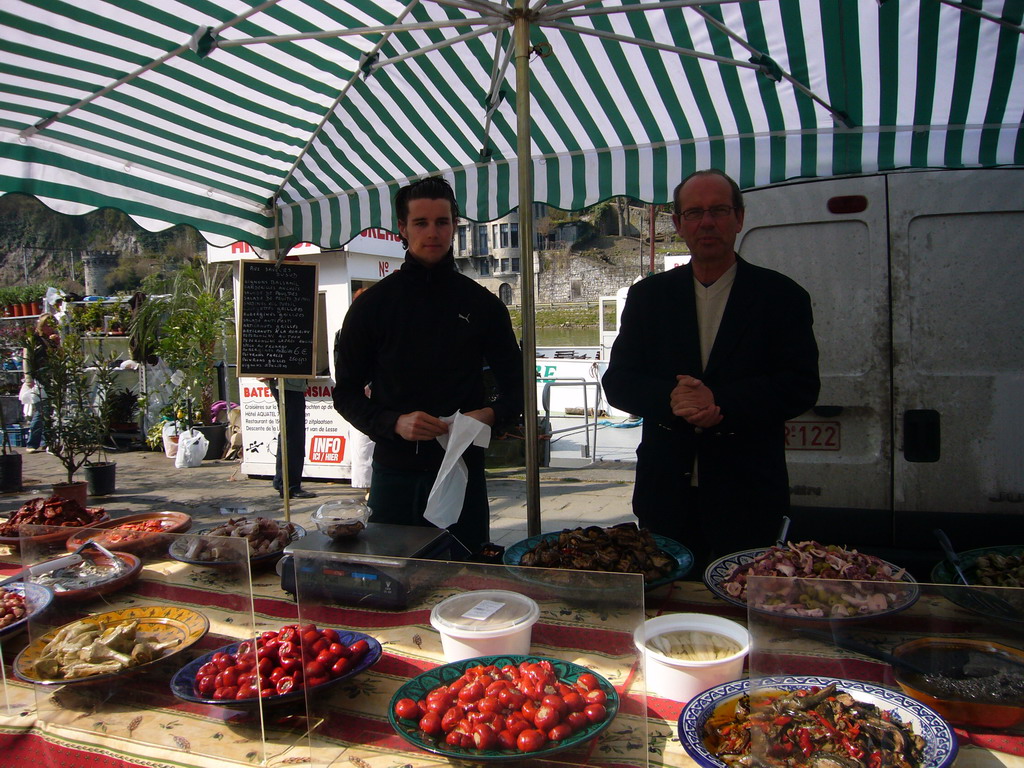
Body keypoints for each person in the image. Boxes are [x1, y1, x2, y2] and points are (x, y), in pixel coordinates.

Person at [602, 169, 820, 568]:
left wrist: (721, 401)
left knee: (746, 606)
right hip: (665, 493)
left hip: (749, 492)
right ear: (678, 224)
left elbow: (801, 385)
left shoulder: (782, 297)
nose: (707, 222)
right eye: (695, 212)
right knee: (666, 612)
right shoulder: (649, 297)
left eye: (719, 210)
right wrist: (672, 398)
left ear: (739, 218)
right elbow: (618, 382)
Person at [332, 176, 523, 555]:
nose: (433, 233)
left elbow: (518, 389)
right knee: (392, 579)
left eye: (442, 222)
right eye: (421, 223)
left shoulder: (483, 305)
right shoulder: (372, 307)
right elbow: (346, 394)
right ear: (402, 229)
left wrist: (489, 414)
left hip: (462, 471)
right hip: (395, 473)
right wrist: (394, 422)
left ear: (454, 225)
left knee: (467, 577)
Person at [271, 378, 316, 499]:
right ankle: (290, 486)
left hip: (289, 384)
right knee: (293, 435)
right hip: (288, 385)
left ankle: (281, 480)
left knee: (289, 433)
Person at [23, 313, 60, 453]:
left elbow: (60, 357)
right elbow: (27, 359)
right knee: (40, 410)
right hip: (39, 378)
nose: (50, 328)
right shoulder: (33, 339)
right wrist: (28, 378)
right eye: (47, 325)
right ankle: (32, 443)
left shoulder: (51, 340)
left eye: (52, 325)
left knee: (50, 411)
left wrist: (57, 344)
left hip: (52, 378)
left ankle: (47, 441)